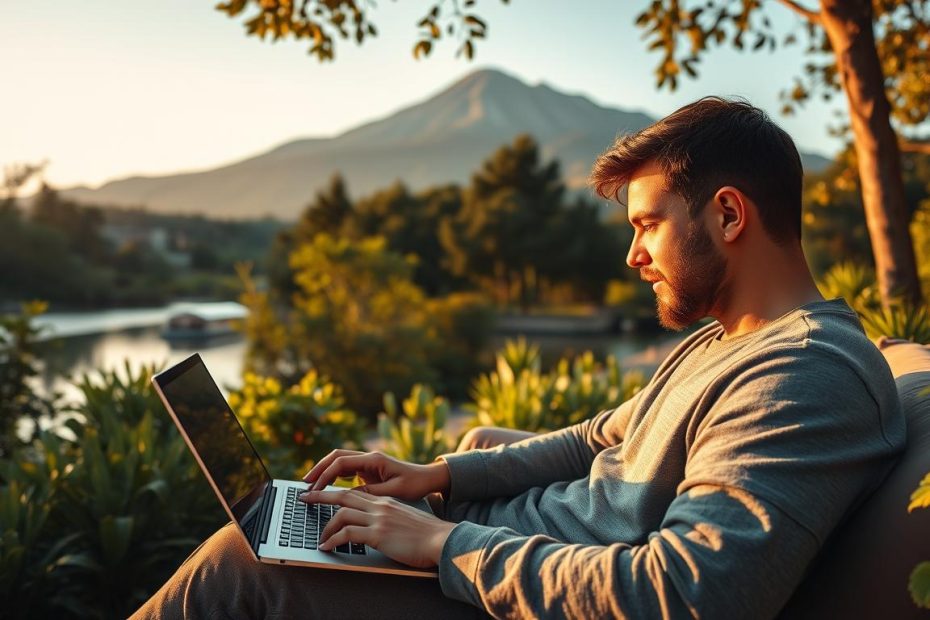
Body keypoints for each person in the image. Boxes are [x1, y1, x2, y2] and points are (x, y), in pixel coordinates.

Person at [133, 97, 905, 619]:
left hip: (502, 585)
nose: (634, 254)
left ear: (729, 214)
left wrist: (436, 542)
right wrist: (437, 478)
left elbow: (688, 592)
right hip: (491, 545)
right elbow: (601, 436)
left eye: (648, 225)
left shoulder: (806, 375)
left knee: (242, 561)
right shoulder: (728, 338)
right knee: (307, 516)